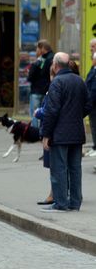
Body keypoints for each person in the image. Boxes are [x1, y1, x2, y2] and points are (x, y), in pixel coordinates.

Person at [40, 52, 87, 212]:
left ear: (55, 65)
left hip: (60, 134)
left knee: (59, 168)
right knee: (75, 168)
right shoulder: (79, 81)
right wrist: (76, 116)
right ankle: (75, 202)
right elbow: (88, 105)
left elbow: (51, 111)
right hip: (77, 132)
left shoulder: (57, 82)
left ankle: (60, 203)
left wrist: (46, 134)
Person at [27, 40, 54, 128]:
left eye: (37, 48)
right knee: (43, 112)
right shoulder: (51, 57)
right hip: (46, 90)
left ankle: (36, 132)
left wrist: (34, 65)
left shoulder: (42, 60)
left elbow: (30, 77)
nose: (36, 51)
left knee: (35, 113)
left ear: (42, 49)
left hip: (37, 91)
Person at [85, 45, 96, 158]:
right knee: (93, 126)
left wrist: (89, 102)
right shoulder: (93, 70)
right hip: (92, 104)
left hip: (93, 104)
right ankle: (94, 146)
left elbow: (93, 89)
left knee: (94, 126)